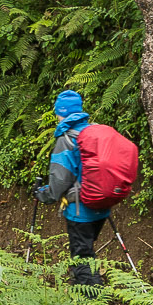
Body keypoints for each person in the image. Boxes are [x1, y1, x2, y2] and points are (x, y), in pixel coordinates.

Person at [34, 89, 120, 287]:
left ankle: (93, 297)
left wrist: (42, 194)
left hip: (80, 209)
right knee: (86, 249)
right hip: (102, 204)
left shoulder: (66, 139)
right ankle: (81, 287)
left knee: (82, 256)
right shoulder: (94, 133)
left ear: (60, 113)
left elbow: (59, 182)